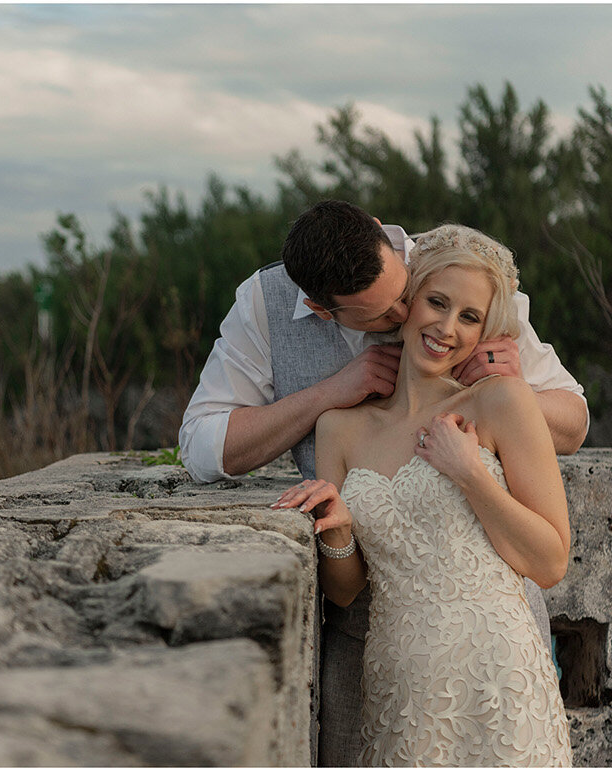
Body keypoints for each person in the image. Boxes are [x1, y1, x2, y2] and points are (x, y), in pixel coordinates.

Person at [177, 199, 584, 765]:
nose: (410, 313)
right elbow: (200, 446)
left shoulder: (453, 274)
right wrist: (327, 400)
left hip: (497, 667)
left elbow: (573, 421)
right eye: (403, 307)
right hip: (375, 660)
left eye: (407, 292)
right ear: (323, 309)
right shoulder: (330, 412)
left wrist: (508, 395)